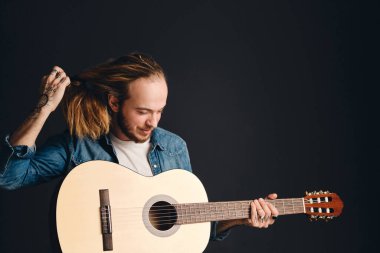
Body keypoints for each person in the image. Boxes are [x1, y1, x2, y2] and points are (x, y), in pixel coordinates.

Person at [0, 52, 278, 242]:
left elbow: (194, 224)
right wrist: (45, 108)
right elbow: (10, 177)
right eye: (144, 111)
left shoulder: (173, 147)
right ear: (114, 102)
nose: (153, 123)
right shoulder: (79, 144)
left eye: (160, 111)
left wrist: (241, 218)